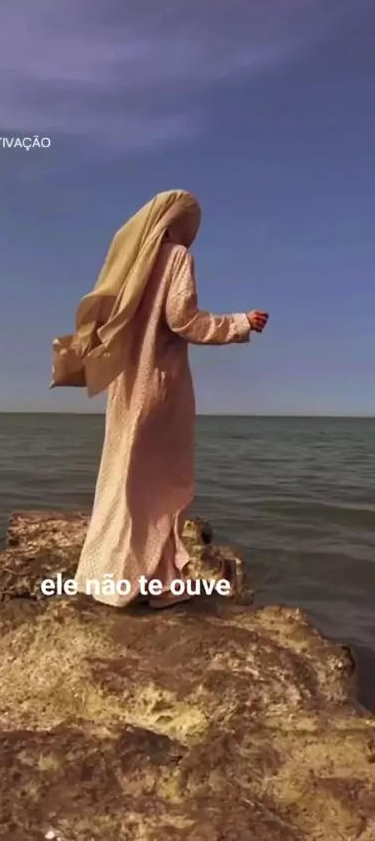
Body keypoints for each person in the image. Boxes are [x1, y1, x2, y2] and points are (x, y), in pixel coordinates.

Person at [66, 190, 268, 608]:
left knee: (123, 478)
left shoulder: (129, 265)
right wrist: (240, 322)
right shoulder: (176, 257)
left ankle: (108, 575)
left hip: (125, 386)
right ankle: (155, 585)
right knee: (162, 483)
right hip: (158, 384)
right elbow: (182, 319)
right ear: (179, 223)